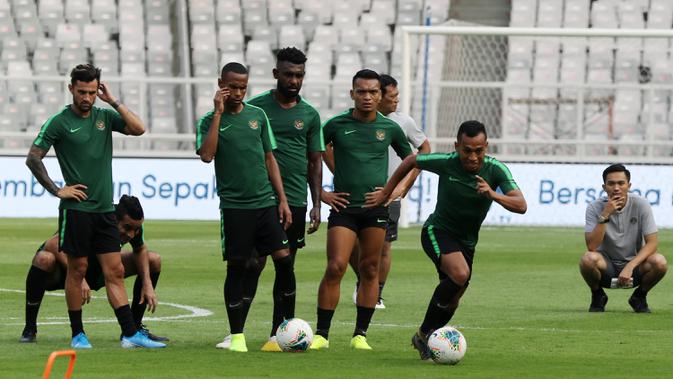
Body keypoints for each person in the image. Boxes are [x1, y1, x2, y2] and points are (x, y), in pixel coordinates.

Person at [25, 64, 164, 349]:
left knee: (114, 272)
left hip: (104, 212)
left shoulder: (104, 116)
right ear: (71, 89)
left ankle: (129, 334)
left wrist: (112, 100)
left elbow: (139, 129)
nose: (87, 97)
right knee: (77, 271)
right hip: (76, 212)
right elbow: (33, 158)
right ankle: (78, 334)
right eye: (82, 92)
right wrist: (57, 190)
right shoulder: (59, 121)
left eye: (91, 92)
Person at [365, 120, 527, 361]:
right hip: (437, 231)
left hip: (467, 243)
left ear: (486, 147)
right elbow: (411, 160)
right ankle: (428, 334)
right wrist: (387, 192)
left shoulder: (495, 170)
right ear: (457, 146)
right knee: (460, 275)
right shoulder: (446, 162)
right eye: (467, 150)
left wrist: (492, 194)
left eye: (479, 150)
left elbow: (521, 205)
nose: (473, 157)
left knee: (452, 301)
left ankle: (423, 337)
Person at [310, 69, 413, 351]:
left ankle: (360, 335)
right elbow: (312, 154)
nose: (367, 97)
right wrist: (322, 193)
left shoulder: (390, 128)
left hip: (374, 210)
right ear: (352, 93)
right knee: (336, 266)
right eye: (362, 92)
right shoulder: (336, 125)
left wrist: (394, 191)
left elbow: (412, 160)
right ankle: (321, 334)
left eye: (373, 92)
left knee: (369, 269)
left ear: (380, 96)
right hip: (344, 208)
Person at [196, 62, 295, 353]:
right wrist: (217, 112)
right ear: (220, 84)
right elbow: (207, 155)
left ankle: (283, 332)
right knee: (238, 267)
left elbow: (269, 159)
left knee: (284, 260)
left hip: (265, 203)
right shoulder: (209, 120)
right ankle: (237, 335)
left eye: (243, 87)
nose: (238, 92)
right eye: (232, 87)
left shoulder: (258, 115)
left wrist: (283, 200)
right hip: (235, 207)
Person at [231, 47, 324, 352]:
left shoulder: (309, 115)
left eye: (299, 75)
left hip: (295, 199)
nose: (294, 80)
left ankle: (279, 333)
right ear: (276, 74)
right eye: (288, 74)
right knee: (251, 264)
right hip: (260, 199)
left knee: (287, 266)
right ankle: (237, 332)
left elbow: (314, 162)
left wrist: (316, 204)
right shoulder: (255, 108)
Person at [20, 195, 168, 343]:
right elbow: (53, 244)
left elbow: (140, 249)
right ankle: (30, 328)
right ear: (115, 219)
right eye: (127, 228)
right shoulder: (96, 218)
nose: (131, 234)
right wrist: (80, 277)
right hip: (65, 271)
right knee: (44, 259)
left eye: (135, 229)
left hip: (101, 268)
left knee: (153, 260)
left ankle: (134, 329)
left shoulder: (133, 227)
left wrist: (147, 283)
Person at [349, 74, 431, 309]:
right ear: (378, 96)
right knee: (351, 244)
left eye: (397, 96)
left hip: (388, 194)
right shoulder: (355, 120)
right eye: (392, 97)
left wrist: (407, 183)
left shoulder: (402, 122)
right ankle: (363, 281)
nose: (396, 101)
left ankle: (377, 293)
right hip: (357, 192)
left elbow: (424, 148)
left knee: (384, 246)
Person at [579, 163, 667, 313]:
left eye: (621, 183)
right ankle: (597, 295)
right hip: (607, 267)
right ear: (604, 187)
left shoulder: (641, 204)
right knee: (587, 259)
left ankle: (639, 296)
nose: (616, 188)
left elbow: (653, 243)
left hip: (634, 267)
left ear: (629, 185)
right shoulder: (594, 207)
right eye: (611, 183)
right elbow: (592, 246)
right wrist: (605, 215)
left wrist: (630, 266)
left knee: (660, 262)